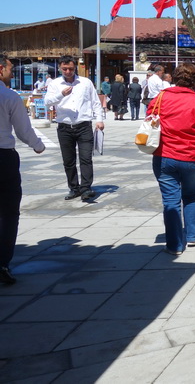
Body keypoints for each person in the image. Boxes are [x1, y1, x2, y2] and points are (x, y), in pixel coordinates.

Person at [148, 63, 195, 255]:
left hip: (165, 154)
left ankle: (174, 244)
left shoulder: (160, 98)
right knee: (191, 195)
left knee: (170, 200)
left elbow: (149, 119)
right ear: (194, 80)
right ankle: (193, 235)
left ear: (174, 78)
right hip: (192, 155)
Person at [0, 54, 46, 285]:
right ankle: (2, 263)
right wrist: (38, 146)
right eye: (9, 67)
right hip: (3, 158)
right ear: (0, 69)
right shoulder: (9, 96)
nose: (11, 72)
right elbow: (23, 129)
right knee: (8, 212)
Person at [44, 55, 105, 201]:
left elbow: (95, 102)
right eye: (64, 69)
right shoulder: (55, 84)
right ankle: (74, 188)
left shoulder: (85, 82)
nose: (68, 71)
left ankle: (86, 188)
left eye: (70, 68)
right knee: (68, 160)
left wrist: (99, 120)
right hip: (64, 127)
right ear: (60, 68)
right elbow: (47, 102)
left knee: (86, 158)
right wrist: (60, 94)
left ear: (75, 67)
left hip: (83, 125)